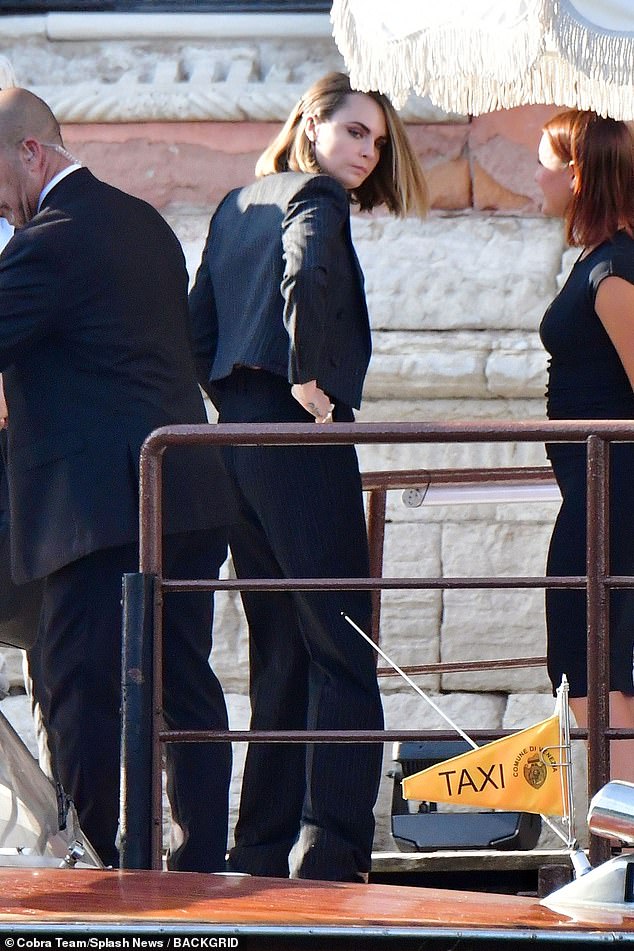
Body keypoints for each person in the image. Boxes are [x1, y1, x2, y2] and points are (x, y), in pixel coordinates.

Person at [189, 71, 429, 882]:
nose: (366, 152)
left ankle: (258, 844)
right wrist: (305, 376)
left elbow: (197, 325)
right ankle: (332, 843)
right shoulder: (316, 201)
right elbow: (306, 274)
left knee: (281, 652)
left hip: (234, 442)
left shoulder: (233, 204)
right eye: (356, 132)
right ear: (312, 125)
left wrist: (228, 399)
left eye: (378, 142)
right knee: (345, 647)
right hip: (297, 434)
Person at [0, 87, 236, 869]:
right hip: (186, 491)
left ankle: (96, 869)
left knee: (79, 692)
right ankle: (200, 862)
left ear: (31, 151)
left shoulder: (51, 241)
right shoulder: (146, 223)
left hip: (99, 512)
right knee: (184, 685)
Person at [535, 109, 634, 782]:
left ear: (576, 174)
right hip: (596, 489)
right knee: (590, 663)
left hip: (616, 490)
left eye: (542, 161)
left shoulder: (614, 271)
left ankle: (627, 853)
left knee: (603, 666)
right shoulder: (602, 260)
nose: (533, 176)